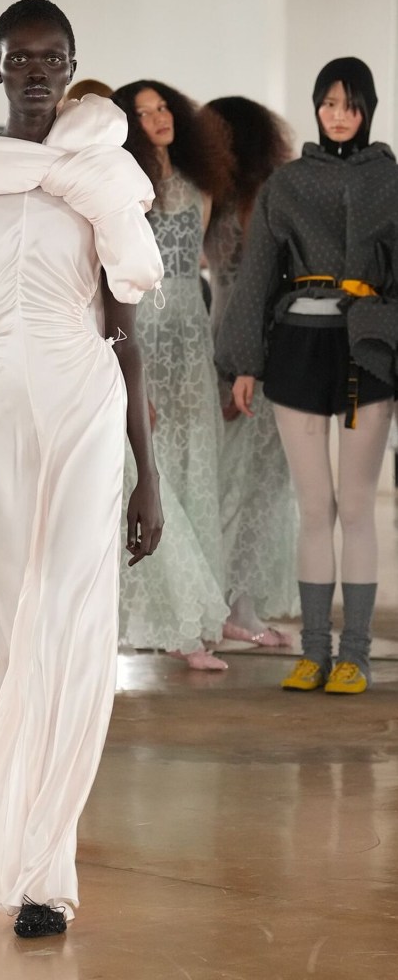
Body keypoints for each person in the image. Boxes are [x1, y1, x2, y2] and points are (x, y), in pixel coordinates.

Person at [0, 0, 164, 937]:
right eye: (21, 59)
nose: (38, 73)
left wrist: (147, 471)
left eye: (53, 58)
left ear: (73, 64)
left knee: (68, 619)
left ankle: (44, 871)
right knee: (11, 621)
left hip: (83, 403)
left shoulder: (100, 175)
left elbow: (122, 334)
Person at [216, 57, 398, 695]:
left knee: (357, 506)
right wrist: (244, 362)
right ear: (317, 108)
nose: (338, 115)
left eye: (350, 104)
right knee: (314, 506)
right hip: (297, 347)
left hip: (368, 350)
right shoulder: (287, 183)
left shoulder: (391, 181)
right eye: (328, 104)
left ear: (368, 108)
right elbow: (257, 275)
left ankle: (356, 656)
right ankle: (314, 652)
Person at [111, 80, 232, 669]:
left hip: (190, 331)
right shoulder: (125, 185)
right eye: (144, 112)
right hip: (144, 330)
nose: (159, 117)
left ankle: (196, 620)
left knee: (194, 470)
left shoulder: (199, 185)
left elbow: (195, 268)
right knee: (147, 471)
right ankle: (165, 620)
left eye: (163, 107)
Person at [204, 96, 298, 646]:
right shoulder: (225, 195)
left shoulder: (253, 196)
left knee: (248, 481)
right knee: (249, 482)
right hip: (239, 345)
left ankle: (233, 605)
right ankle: (232, 607)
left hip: (243, 344)